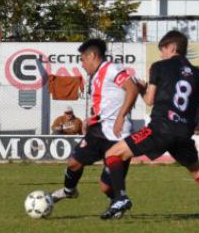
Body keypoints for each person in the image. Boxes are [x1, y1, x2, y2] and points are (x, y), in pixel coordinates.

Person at [101, 30, 199, 221]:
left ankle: (120, 198)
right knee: (197, 170)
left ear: (172, 48)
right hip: (184, 134)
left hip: (160, 129)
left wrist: (141, 90)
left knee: (112, 153)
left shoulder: (159, 67)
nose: (161, 54)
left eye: (162, 49)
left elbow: (150, 100)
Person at [50, 39, 140, 218]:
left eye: (82, 59)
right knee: (74, 163)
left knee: (105, 186)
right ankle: (69, 190)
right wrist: (91, 119)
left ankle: (117, 203)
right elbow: (107, 103)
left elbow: (132, 89)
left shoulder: (112, 69)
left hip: (117, 133)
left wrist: (121, 117)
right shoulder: (96, 75)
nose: (82, 64)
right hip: (99, 130)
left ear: (92, 56)